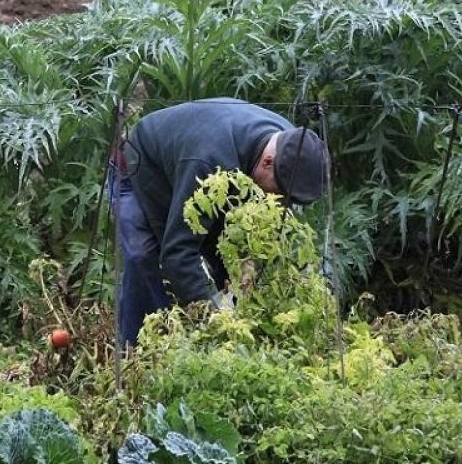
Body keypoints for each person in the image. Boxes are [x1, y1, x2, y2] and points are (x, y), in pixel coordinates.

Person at [112, 98, 330, 345]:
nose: (279, 203)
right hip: (140, 165)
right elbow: (178, 253)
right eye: (280, 194)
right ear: (267, 162)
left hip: (190, 166)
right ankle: (137, 352)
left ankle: (187, 339)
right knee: (145, 256)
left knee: (225, 260)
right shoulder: (208, 162)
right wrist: (216, 322)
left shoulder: (290, 145)